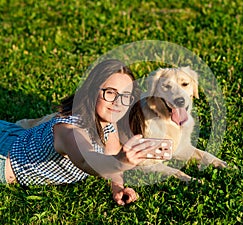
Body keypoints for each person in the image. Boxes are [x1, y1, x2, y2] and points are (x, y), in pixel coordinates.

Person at [0, 59, 155, 206]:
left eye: (125, 96)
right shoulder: (70, 130)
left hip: (15, 135)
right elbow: (86, 160)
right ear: (93, 91)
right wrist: (120, 161)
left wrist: (117, 186)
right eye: (110, 92)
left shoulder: (108, 124)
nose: (117, 102)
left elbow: (111, 154)